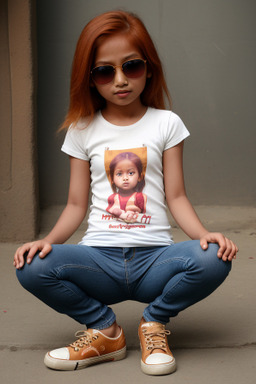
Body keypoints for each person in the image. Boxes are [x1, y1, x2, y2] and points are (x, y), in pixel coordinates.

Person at [14, 10, 238, 376]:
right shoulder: (82, 129)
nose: (120, 80)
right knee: (30, 266)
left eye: (131, 66)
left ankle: (154, 323)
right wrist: (48, 240)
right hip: (98, 260)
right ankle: (105, 329)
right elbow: (75, 204)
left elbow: (176, 196)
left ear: (148, 68)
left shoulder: (167, 123)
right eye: (105, 71)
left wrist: (204, 235)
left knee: (215, 257)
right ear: (89, 79)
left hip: (155, 261)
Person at [106, 151, 147, 223]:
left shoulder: (139, 197)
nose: (125, 178)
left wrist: (133, 210)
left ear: (140, 176)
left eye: (131, 173)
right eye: (119, 174)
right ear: (112, 178)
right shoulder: (112, 198)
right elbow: (110, 210)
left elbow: (144, 212)